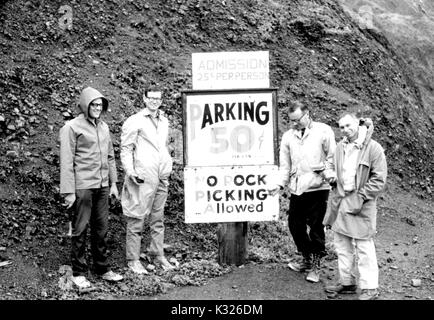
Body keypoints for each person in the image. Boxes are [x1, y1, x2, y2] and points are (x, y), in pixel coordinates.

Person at [59, 86, 123, 288]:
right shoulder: (71, 127)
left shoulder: (103, 127)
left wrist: (114, 184)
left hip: (103, 186)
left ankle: (103, 268)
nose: (97, 108)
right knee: (80, 229)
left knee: (102, 228)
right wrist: (68, 192)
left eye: (100, 105)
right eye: (93, 104)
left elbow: (111, 156)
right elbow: (66, 163)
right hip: (83, 187)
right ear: (85, 106)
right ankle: (78, 272)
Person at [268, 101, 336, 283]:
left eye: (297, 120)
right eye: (291, 121)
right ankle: (306, 257)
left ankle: (316, 264)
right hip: (297, 187)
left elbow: (333, 157)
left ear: (307, 115)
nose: (294, 124)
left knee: (316, 227)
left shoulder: (324, 130)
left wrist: (327, 173)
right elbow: (285, 165)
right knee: (294, 225)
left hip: (318, 187)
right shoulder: (288, 136)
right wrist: (279, 184)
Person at [323, 114, 387, 300]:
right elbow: (330, 163)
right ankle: (347, 282)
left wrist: (360, 197)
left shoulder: (374, 148)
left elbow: (379, 180)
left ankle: (370, 287)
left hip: (362, 202)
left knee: (364, 245)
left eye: (348, 125)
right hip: (341, 200)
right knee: (341, 243)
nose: (345, 130)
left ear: (358, 124)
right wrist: (330, 173)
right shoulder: (340, 147)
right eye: (341, 127)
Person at [120, 90, 175, 274]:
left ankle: (157, 254)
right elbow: (126, 149)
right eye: (150, 98)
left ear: (161, 100)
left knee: (157, 217)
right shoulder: (135, 120)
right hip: (142, 176)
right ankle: (133, 259)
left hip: (161, 175)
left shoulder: (164, 121)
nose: (154, 101)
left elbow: (164, 146)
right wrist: (130, 171)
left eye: (157, 98)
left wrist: (167, 164)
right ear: (144, 99)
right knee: (136, 217)